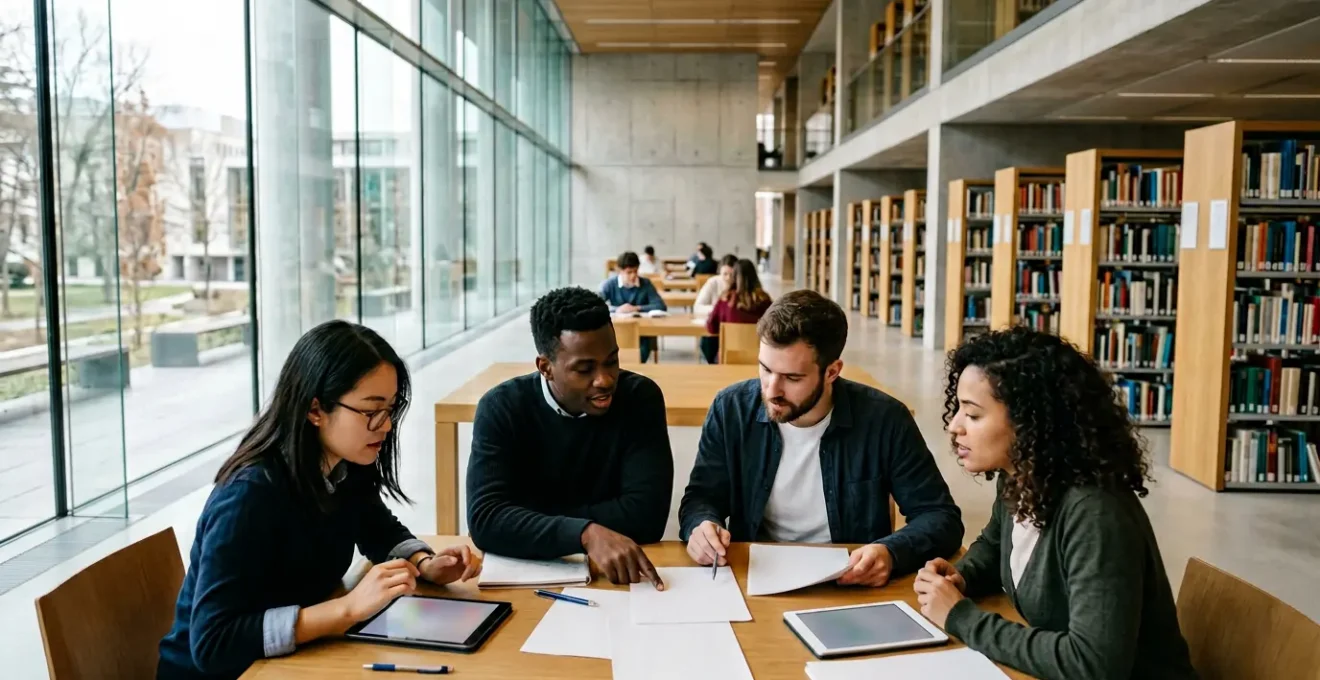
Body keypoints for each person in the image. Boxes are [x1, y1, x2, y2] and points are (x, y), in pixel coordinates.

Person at [158, 321, 482, 680]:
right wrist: (346, 610)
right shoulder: (248, 496)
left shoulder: (344, 466)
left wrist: (425, 564)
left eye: (391, 408)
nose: (387, 425)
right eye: (371, 411)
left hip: (291, 662)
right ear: (315, 410)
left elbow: (377, 529)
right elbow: (213, 643)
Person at [914, 328, 1198, 680]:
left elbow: (1093, 665)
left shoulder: (1095, 514)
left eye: (972, 415)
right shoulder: (1022, 477)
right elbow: (995, 545)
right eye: (958, 408)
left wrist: (961, 617)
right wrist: (963, 576)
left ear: (1029, 422)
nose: (954, 426)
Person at [679, 290, 962, 586]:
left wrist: (891, 553)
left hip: (850, 582)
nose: (772, 390)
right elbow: (702, 497)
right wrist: (701, 526)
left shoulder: (886, 420)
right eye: (765, 369)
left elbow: (940, 516)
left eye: (792, 378)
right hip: (754, 574)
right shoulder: (731, 410)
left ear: (832, 372)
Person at [466, 287, 673, 588]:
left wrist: (527, 521)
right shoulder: (501, 408)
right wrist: (585, 533)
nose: (605, 380)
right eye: (584, 369)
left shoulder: (641, 398)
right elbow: (486, 520)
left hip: (618, 578)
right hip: (528, 580)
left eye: (611, 361)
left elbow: (647, 518)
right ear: (546, 368)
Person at [598, 250, 667, 363]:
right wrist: (618, 309)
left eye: (635, 271)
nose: (633, 275)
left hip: (641, 333)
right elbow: (595, 305)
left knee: (641, 352)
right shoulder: (609, 284)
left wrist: (637, 308)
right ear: (619, 271)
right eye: (629, 272)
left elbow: (660, 305)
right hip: (615, 332)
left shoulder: (646, 283)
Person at [701, 258, 772, 364]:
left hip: (728, 358)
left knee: (707, 344)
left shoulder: (725, 299)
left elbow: (711, 327)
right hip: (759, 360)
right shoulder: (765, 300)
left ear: (733, 277)